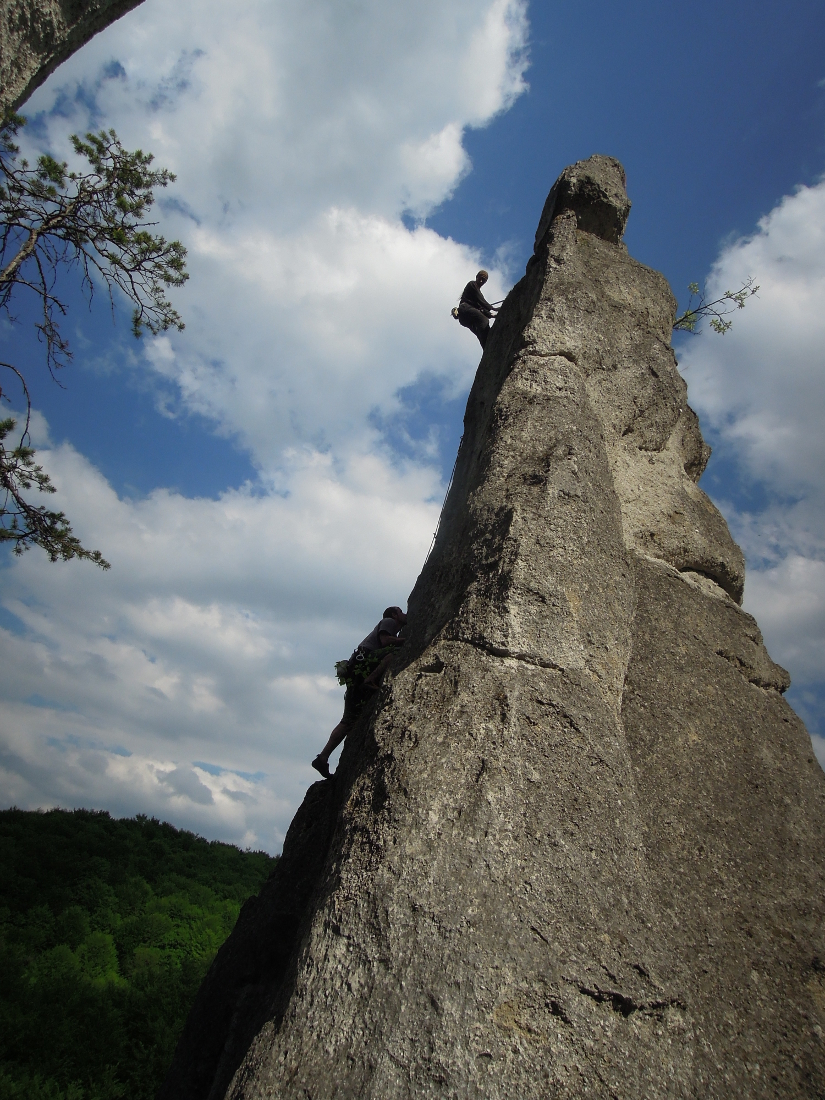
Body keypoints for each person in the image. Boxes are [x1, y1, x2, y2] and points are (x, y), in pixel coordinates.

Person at [311, 606, 408, 779]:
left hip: (356, 670)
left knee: (349, 721)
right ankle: (370, 679)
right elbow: (385, 641)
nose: (404, 614)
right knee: (394, 654)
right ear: (394, 615)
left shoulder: (392, 625)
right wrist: (407, 640)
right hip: (364, 664)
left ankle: (323, 757)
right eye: (401, 612)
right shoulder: (389, 622)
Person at [455, 270, 498, 348]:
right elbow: (481, 300)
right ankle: (487, 347)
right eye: (480, 278)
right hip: (465, 309)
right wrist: (492, 308)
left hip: (466, 317)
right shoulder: (472, 284)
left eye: (484, 280)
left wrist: (492, 315)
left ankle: (486, 348)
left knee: (481, 332)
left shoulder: (477, 292)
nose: (481, 281)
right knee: (484, 320)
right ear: (476, 277)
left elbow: (481, 308)